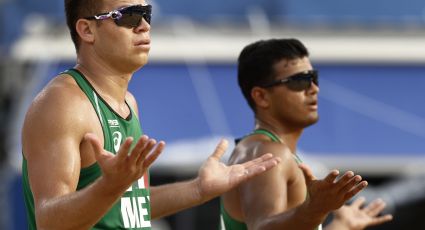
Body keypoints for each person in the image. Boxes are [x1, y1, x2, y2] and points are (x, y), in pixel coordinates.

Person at [21, 1, 282, 229]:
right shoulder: (64, 101)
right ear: (87, 30)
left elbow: (126, 209)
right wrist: (109, 186)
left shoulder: (128, 102)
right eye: (129, 15)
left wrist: (198, 189)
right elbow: (50, 221)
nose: (144, 25)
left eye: (147, 14)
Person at [220, 38, 393, 230]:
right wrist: (315, 209)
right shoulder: (267, 153)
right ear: (261, 96)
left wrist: (341, 227)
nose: (314, 89)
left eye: (313, 77)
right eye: (299, 81)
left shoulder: (262, 149)